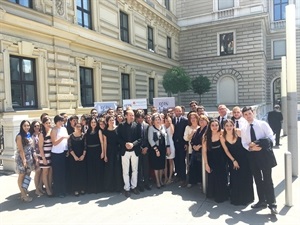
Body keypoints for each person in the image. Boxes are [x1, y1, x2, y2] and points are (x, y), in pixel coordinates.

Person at [241, 106, 277, 215]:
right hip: (252, 156)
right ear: (243, 116)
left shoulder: (262, 124)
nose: (248, 116)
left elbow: (271, 138)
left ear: (253, 113)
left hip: (264, 155)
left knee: (267, 179)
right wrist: (251, 148)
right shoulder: (244, 128)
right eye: (245, 114)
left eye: (249, 113)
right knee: (257, 179)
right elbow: (244, 143)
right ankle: (262, 201)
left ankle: (272, 204)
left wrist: (258, 144)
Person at [220, 119, 254, 205]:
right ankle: (237, 198)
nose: (229, 127)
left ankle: (247, 198)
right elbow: (226, 150)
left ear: (233, 126)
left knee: (246, 177)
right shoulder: (222, 137)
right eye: (227, 125)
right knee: (235, 178)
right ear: (224, 126)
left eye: (230, 125)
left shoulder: (239, 132)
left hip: (244, 158)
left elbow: (247, 141)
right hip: (233, 159)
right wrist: (233, 160)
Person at [202, 119, 228, 203]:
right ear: (209, 126)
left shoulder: (222, 133)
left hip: (222, 158)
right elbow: (204, 151)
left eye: (216, 125)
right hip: (211, 159)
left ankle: (223, 195)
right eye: (212, 125)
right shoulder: (206, 136)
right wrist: (206, 164)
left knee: (222, 177)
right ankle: (213, 194)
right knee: (213, 177)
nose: (214, 127)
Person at [117, 109, 142, 197]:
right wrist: (125, 144)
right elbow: (118, 138)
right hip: (125, 152)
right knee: (125, 171)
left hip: (134, 151)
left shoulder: (137, 125)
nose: (132, 117)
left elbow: (140, 138)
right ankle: (127, 188)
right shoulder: (121, 126)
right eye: (130, 115)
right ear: (126, 116)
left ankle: (134, 186)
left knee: (135, 170)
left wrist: (133, 144)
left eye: (133, 115)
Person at [15, 120, 35, 202]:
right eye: (25, 125)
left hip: (29, 157)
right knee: (22, 175)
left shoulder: (29, 134)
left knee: (28, 174)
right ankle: (23, 195)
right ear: (21, 126)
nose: (27, 127)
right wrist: (24, 161)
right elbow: (20, 150)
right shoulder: (19, 136)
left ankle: (24, 190)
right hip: (21, 158)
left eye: (28, 125)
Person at [148, 113, 170, 188]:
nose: (158, 121)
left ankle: (161, 180)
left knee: (161, 166)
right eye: (156, 119)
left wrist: (168, 147)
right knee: (156, 166)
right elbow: (150, 139)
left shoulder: (163, 127)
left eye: (159, 119)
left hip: (163, 148)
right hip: (155, 149)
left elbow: (167, 138)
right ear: (153, 121)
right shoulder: (151, 128)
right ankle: (157, 181)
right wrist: (156, 150)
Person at [103, 115, 123, 192]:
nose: (112, 121)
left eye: (113, 120)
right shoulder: (105, 131)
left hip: (117, 150)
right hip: (109, 151)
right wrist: (105, 155)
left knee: (118, 168)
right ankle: (110, 187)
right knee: (110, 169)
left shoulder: (118, 128)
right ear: (107, 122)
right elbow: (105, 143)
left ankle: (118, 187)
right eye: (110, 120)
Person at [85, 117, 105, 194]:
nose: (93, 124)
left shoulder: (98, 131)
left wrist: (102, 152)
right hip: (89, 152)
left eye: (94, 122)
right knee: (91, 169)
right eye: (92, 122)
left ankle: (98, 188)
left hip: (97, 150)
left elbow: (102, 142)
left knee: (97, 169)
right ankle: (91, 188)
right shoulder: (88, 131)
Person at [50, 115, 69, 198]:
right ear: (56, 122)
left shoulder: (64, 129)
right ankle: (58, 191)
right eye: (60, 121)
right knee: (57, 173)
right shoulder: (54, 130)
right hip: (56, 153)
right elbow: (54, 142)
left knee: (63, 172)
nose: (62, 122)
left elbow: (67, 140)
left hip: (63, 151)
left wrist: (68, 150)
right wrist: (62, 138)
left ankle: (64, 190)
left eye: (62, 121)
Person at [189, 115, 209, 187]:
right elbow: (192, 140)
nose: (202, 122)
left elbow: (207, 140)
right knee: (193, 166)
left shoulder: (208, 130)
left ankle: (202, 182)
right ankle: (194, 181)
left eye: (203, 120)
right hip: (195, 151)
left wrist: (200, 146)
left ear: (207, 121)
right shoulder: (197, 130)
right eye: (200, 120)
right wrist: (193, 146)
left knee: (201, 167)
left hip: (202, 151)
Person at [68, 123, 86, 196]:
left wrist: (83, 155)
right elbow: (70, 147)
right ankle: (75, 189)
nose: (79, 128)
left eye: (80, 126)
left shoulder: (84, 135)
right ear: (74, 127)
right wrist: (74, 156)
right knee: (74, 173)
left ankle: (82, 188)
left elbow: (85, 146)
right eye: (77, 126)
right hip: (73, 157)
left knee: (82, 173)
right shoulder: (70, 136)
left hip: (82, 156)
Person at [136, 110, 152, 192]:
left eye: (141, 118)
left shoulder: (147, 126)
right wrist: (140, 148)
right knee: (139, 168)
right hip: (138, 150)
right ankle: (140, 184)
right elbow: (135, 138)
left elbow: (149, 138)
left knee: (146, 167)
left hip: (146, 149)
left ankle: (147, 183)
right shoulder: (135, 126)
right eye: (138, 118)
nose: (140, 119)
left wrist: (146, 148)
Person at [172, 106, 188, 186]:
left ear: (182, 112)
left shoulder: (185, 120)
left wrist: (186, 143)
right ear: (174, 112)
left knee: (182, 160)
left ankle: (183, 177)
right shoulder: (172, 120)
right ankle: (177, 175)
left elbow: (186, 132)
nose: (178, 112)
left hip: (182, 144)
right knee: (176, 160)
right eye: (176, 111)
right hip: (174, 143)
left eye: (179, 111)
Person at [183, 112, 200, 187]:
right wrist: (191, 134)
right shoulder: (188, 127)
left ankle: (199, 180)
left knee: (199, 166)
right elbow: (185, 138)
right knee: (191, 166)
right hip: (191, 149)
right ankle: (191, 181)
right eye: (191, 118)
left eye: (194, 118)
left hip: (200, 149)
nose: (193, 119)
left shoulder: (200, 127)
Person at [38, 117, 53, 197]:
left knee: (51, 172)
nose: (48, 124)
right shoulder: (41, 134)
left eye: (49, 123)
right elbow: (40, 147)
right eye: (46, 123)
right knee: (45, 172)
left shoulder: (52, 131)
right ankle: (47, 189)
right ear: (43, 124)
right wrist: (43, 158)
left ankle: (50, 187)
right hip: (45, 155)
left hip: (51, 154)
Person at [29, 121, 43, 196]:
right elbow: (33, 148)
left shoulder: (41, 134)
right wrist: (36, 158)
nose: (37, 127)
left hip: (42, 155)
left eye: (38, 126)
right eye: (35, 126)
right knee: (37, 172)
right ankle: (37, 189)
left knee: (41, 172)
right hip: (36, 156)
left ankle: (40, 187)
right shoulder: (32, 136)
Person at [164, 114, 175, 185]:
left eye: (169, 120)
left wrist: (170, 124)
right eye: (166, 120)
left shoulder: (172, 126)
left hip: (171, 144)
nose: (167, 121)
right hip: (164, 145)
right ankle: (165, 177)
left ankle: (170, 177)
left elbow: (172, 133)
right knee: (165, 162)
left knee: (170, 161)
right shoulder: (162, 126)